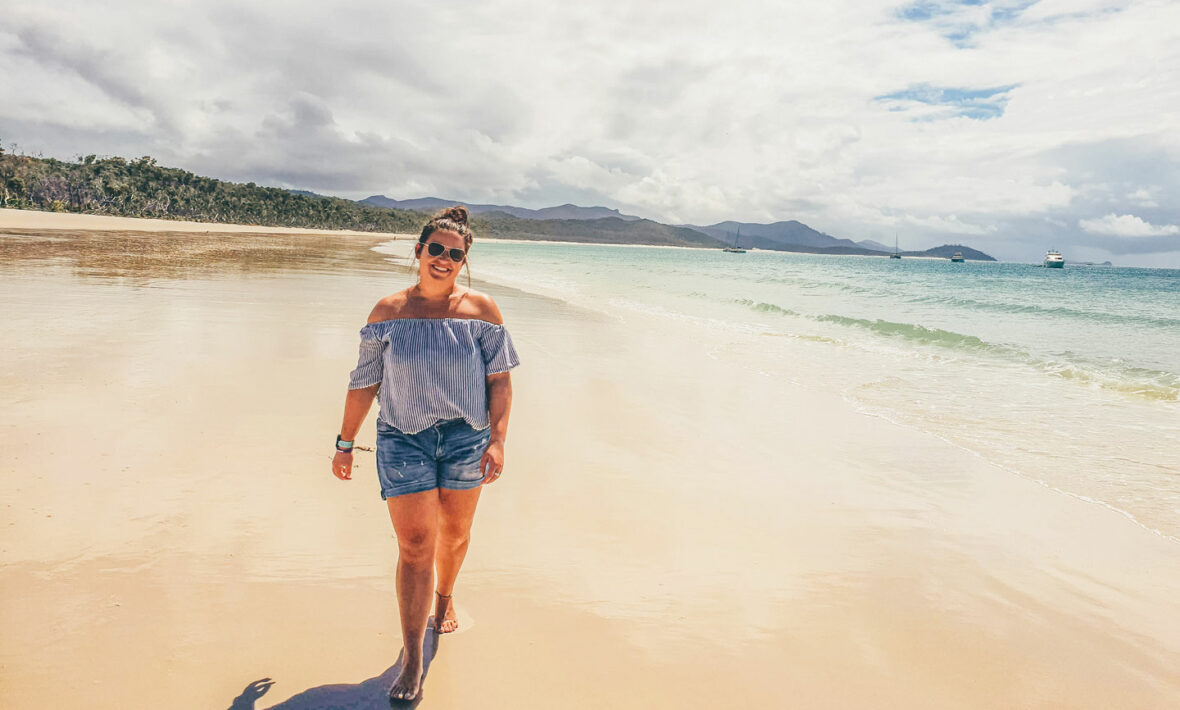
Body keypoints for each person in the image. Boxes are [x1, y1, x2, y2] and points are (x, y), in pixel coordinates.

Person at [331, 206, 519, 702]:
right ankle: (413, 656)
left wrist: (498, 439)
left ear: (463, 261)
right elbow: (364, 382)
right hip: (402, 439)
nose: (444, 259)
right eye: (435, 249)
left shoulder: (482, 312)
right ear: (418, 252)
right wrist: (345, 442)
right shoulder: (388, 313)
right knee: (416, 544)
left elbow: (499, 382)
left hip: (466, 439)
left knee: (454, 537)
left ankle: (445, 598)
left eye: (454, 254)